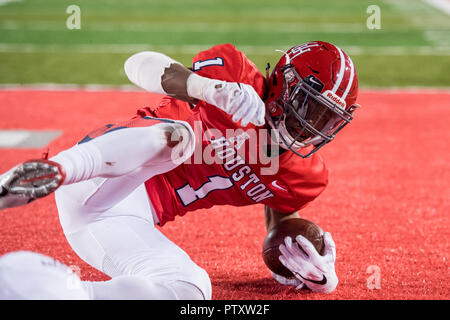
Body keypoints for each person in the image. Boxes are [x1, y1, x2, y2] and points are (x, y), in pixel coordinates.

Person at [0, 41, 359, 299]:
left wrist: (307, 269)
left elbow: (282, 222)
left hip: (118, 220)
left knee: (191, 288)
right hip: (99, 170)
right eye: (308, 108)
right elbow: (136, 64)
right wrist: (206, 88)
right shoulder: (236, 78)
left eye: (326, 120)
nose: (311, 127)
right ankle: (47, 172)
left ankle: (50, 289)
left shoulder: (304, 176)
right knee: (179, 139)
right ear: (285, 85)